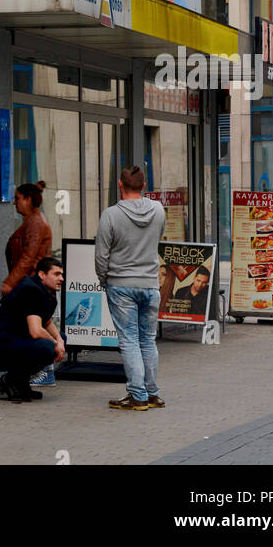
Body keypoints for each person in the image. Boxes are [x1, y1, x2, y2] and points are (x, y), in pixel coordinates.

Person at [95, 166, 167, 411]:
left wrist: (105, 279)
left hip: (121, 284)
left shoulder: (111, 215)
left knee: (129, 341)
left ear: (120, 184)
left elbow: (101, 255)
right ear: (144, 186)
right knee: (148, 340)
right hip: (150, 284)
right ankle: (152, 393)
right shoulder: (158, 210)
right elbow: (158, 238)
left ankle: (137, 395)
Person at [0, 257, 66, 403]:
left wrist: (59, 340)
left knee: (61, 338)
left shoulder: (48, 292)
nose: (61, 279)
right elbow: (35, 331)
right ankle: (9, 380)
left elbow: (46, 322)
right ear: (42, 275)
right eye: (57, 274)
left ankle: (21, 384)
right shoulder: (31, 290)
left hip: (18, 341)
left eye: (61, 274)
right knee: (46, 347)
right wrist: (55, 343)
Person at [1, 181, 53, 296]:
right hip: (30, 284)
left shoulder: (35, 222)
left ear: (28, 200)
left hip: (31, 286)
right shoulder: (33, 220)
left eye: (17, 198)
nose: (14, 203)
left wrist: (9, 283)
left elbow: (29, 256)